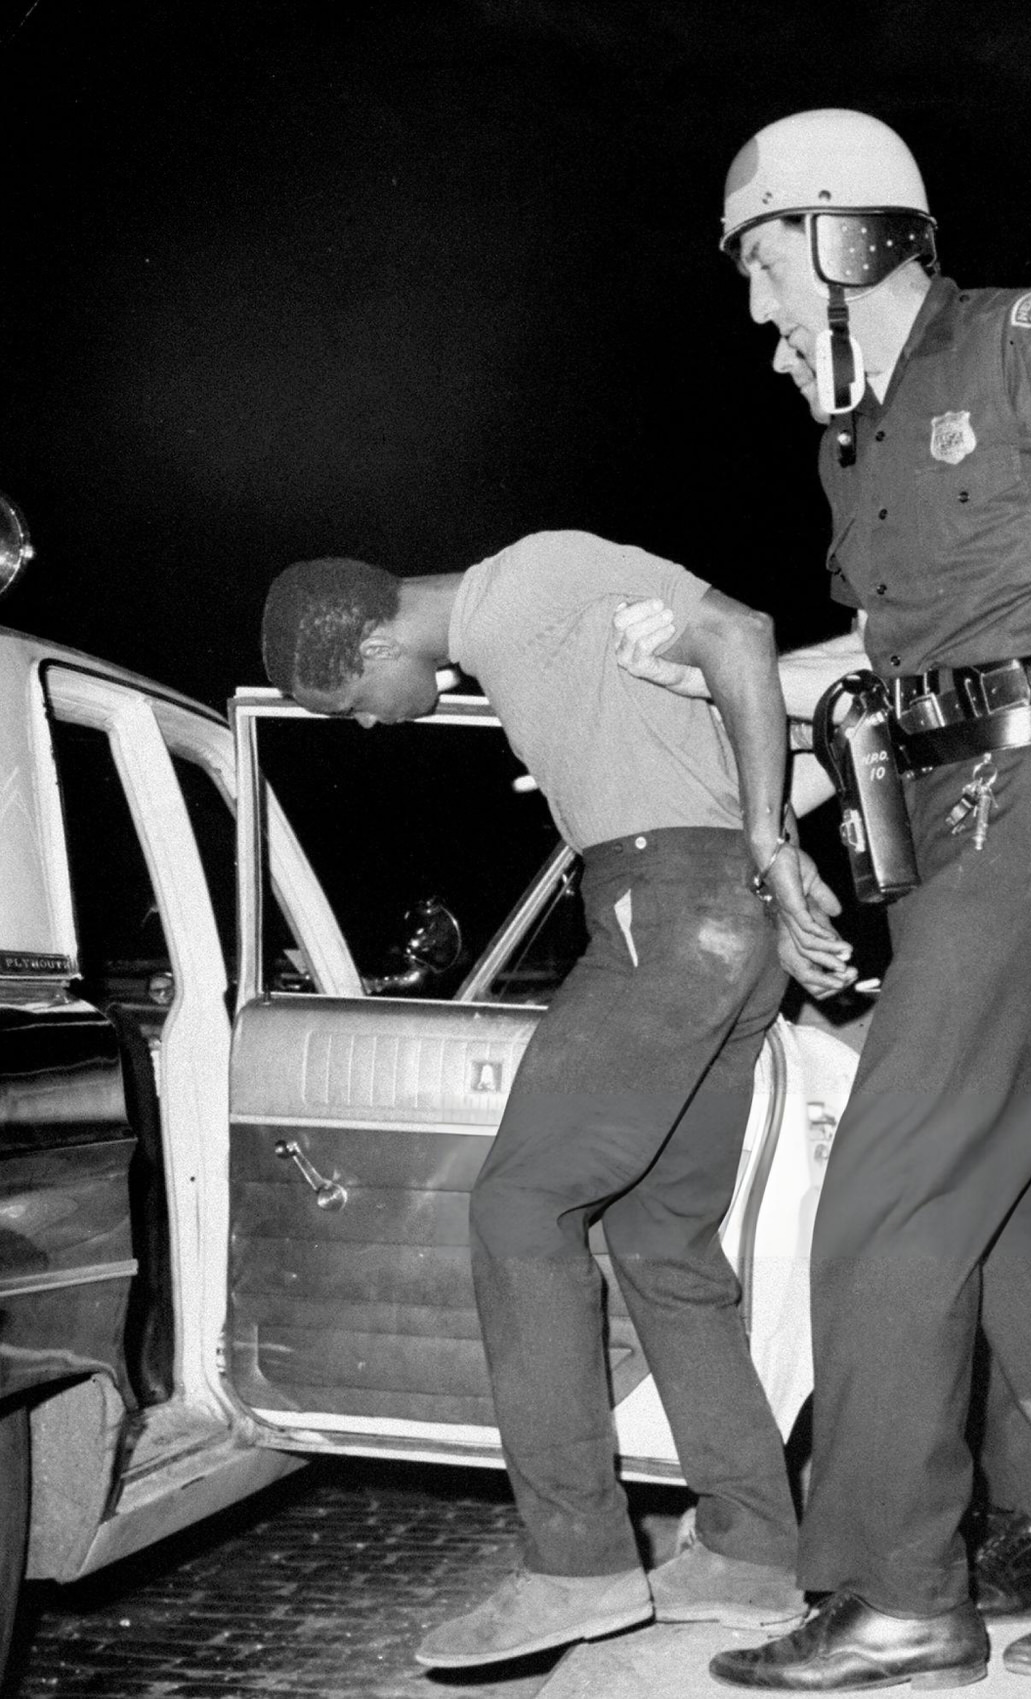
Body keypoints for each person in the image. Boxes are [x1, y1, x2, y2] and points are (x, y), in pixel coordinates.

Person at [617, 108, 1031, 1688]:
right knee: (1017, 1215)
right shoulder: (852, 440)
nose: (757, 316)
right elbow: (884, 671)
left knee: (887, 1191)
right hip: (946, 822)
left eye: (763, 264)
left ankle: (897, 1587)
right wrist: (703, 697)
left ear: (847, 233)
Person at [258, 533, 854, 1671]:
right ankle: (747, 1551)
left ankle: (572, 1564)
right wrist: (758, 849)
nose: (374, 724)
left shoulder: (526, 584)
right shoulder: (520, 645)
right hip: (716, 919)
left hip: (671, 911)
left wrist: (772, 841)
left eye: (352, 704)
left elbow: (738, 632)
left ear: (378, 640)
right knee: (659, 1235)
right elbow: (701, 718)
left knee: (519, 1207)